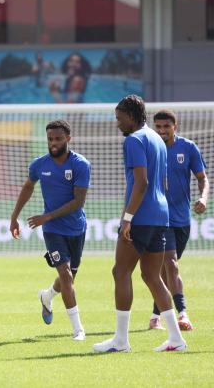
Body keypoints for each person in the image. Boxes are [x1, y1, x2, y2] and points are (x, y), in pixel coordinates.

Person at [94, 95, 187, 353]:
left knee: (120, 272)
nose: (117, 123)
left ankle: (121, 341)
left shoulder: (134, 140)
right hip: (161, 215)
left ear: (132, 116)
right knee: (152, 276)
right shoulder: (157, 139)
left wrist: (128, 218)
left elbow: (141, 182)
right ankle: (176, 338)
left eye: (119, 118)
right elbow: (163, 182)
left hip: (142, 217)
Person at [10, 120, 91, 341]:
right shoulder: (39, 165)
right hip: (53, 230)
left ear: (68, 139)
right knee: (65, 276)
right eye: (49, 139)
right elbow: (28, 186)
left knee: (68, 279)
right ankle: (78, 329)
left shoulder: (81, 164)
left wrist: (47, 216)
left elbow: (78, 202)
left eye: (57, 139)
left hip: (76, 228)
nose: (53, 143)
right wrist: (14, 216)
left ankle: (47, 296)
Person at [149, 110, 208, 330]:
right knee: (171, 264)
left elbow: (202, 179)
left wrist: (203, 198)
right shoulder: (151, 148)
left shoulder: (188, 148)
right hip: (159, 218)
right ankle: (182, 314)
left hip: (183, 218)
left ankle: (155, 316)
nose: (162, 131)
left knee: (166, 269)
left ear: (175, 126)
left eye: (166, 126)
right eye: (158, 127)